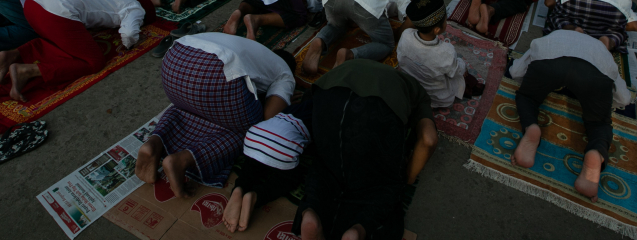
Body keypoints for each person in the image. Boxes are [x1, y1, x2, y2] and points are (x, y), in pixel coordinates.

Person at [134, 32, 297, 195]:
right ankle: (184, 160)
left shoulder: (255, 51)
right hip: (215, 70)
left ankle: (153, 143)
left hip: (175, 59)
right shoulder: (284, 72)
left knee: (184, 108)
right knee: (249, 129)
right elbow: (269, 118)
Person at [293, 60, 438, 240]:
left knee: (325, 165)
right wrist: (407, 178)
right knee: (382, 185)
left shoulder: (350, 65)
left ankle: (311, 213)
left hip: (330, 98)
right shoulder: (418, 93)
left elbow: (312, 98)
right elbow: (429, 139)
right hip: (376, 114)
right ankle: (358, 230)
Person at [509, 29, 633, 202]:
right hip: (594, 75)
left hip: (550, 64)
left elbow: (516, 72)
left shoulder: (555, 35)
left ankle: (531, 126)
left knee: (527, 98)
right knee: (599, 123)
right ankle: (596, 152)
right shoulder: (601, 49)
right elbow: (624, 99)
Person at [0, 0, 157, 102]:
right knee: (94, 61)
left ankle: (13, 54)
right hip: (56, 11)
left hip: (32, 3)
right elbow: (129, 34)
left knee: (59, 41)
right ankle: (27, 71)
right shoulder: (135, 7)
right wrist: (130, 44)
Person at [223, 100, 314, 233]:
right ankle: (256, 196)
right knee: (289, 177)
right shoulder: (323, 115)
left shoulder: (296, 106)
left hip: (255, 134)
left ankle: (239, 188)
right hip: (283, 145)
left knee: (253, 164)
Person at [302, 0, 411, 73]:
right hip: (365, 0)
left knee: (336, 26)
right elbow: (411, 16)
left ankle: (320, 40)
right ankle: (350, 55)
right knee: (386, 44)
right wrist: (397, 34)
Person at [396, 0, 484, 108]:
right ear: (437, 30)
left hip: (413, 89)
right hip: (438, 99)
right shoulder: (446, 51)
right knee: (461, 69)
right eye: (445, 20)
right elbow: (456, 71)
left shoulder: (406, 35)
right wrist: (462, 66)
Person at [543, 0, 637, 53]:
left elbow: (549, 2)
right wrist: (614, 26)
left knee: (556, 17)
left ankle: (572, 29)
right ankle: (608, 41)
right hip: (611, 9)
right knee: (619, 32)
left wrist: (560, 12)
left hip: (576, 1)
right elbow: (636, 27)